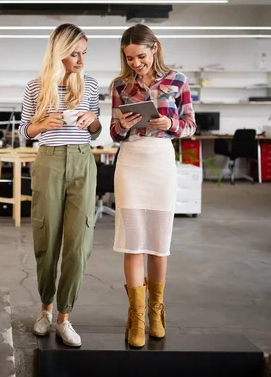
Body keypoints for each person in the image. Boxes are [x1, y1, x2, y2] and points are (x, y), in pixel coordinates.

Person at [109, 24, 196, 348]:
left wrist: (169, 124)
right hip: (131, 160)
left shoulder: (178, 81)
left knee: (159, 243)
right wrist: (123, 124)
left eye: (140, 56)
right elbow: (114, 133)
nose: (135, 63)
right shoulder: (120, 85)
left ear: (154, 49)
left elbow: (189, 125)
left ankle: (156, 312)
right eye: (129, 58)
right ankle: (137, 317)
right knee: (133, 242)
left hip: (161, 159)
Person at [19, 23, 102, 347]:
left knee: (78, 243)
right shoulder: (36, 87)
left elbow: (95, 129)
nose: (81, 60)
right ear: (58, 53)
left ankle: (65, 317)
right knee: (46, 239)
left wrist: (90, 120)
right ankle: (45, 310)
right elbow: (26, 130)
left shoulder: (90, 85)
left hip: (83, 160)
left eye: (84, 53)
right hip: (49, 160)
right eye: (74, 53)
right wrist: (43, 123)